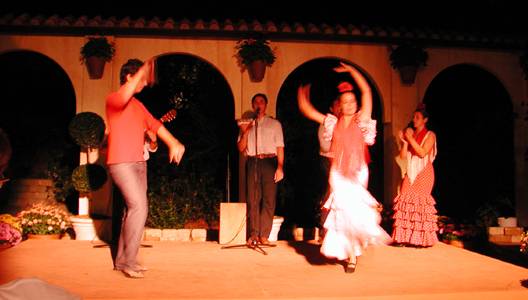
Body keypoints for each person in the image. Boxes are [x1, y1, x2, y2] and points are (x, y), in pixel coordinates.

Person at [297, 62, 390, 273]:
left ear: (356, 104)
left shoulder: (362, 120)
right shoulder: (332, 122)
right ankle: (351, 255)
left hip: (357, 171)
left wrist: (353, 72)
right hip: (337, 173)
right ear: (340, 104)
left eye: (352, 101)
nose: (348, 104)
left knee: (353, 212)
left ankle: (354, 250)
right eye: (344, 101)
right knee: (342, 214)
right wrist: (303, 101)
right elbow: (310, 112)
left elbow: (366, 91)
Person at [106, 58, 185, 279]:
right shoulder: (114, 100)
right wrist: (143, 70)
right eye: (140, 79)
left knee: (132, 211)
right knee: (139, 207)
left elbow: (155, 125)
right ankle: (129, 261)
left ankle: (122, 260)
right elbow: (125, 93)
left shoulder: (138, 105)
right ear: (129, 77)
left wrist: (173, 142)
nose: (144, 83)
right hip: (121, 163)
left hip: (140, 163)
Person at [237, 93, 284, 246]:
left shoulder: (275, 124)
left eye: (261, 102)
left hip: (270, 161)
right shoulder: (247, 124)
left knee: (269, 200)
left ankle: (264, 235)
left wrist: (280, 167)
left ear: (265, 105)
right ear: (253, 106)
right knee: (253, 199)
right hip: (253, 161)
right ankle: (254, 234)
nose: (259, 104)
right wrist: (245, 131)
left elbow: (280, 147)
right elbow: (241, 147)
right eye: (256, 102)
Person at [391, 104, 438, 247]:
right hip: (410, 170)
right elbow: (404, 156)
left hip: (424, 171)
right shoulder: (411, 135)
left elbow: (423, 152)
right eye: (414, 117)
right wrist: (405, 142)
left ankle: (421, 240)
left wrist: (410, 138)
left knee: (420, 203)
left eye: (418, 117)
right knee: (405, 199)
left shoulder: (430, 135)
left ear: (425, 120)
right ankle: (403, 237)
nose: (414, 119)